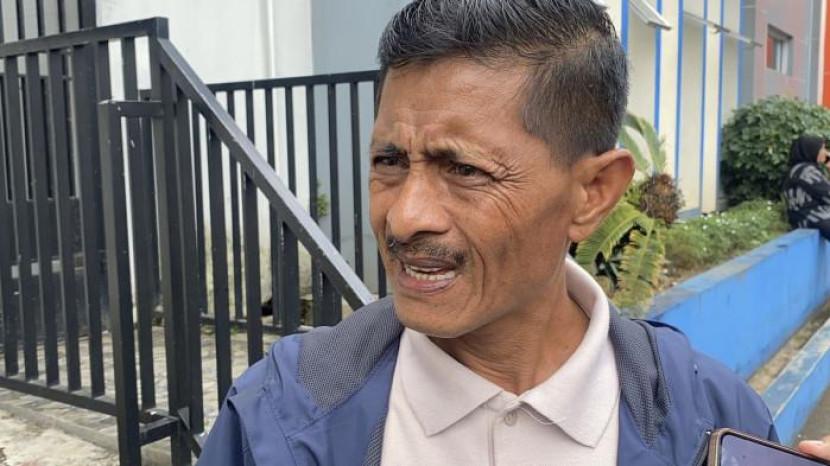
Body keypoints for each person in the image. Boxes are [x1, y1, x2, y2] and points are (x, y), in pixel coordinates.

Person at [197, 1, 777, 465]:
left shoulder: (715, 421)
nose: (403, 218)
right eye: (390, 161)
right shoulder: (277, 414)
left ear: (592, 192)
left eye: (464, 169)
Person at [783, 134, 830, 240]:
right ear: (812, 150)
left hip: (804, 218)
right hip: (813, 217)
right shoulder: (806, 171)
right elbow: (827, 193)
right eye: (822, 148)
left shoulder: (798, 169)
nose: (825, 152)